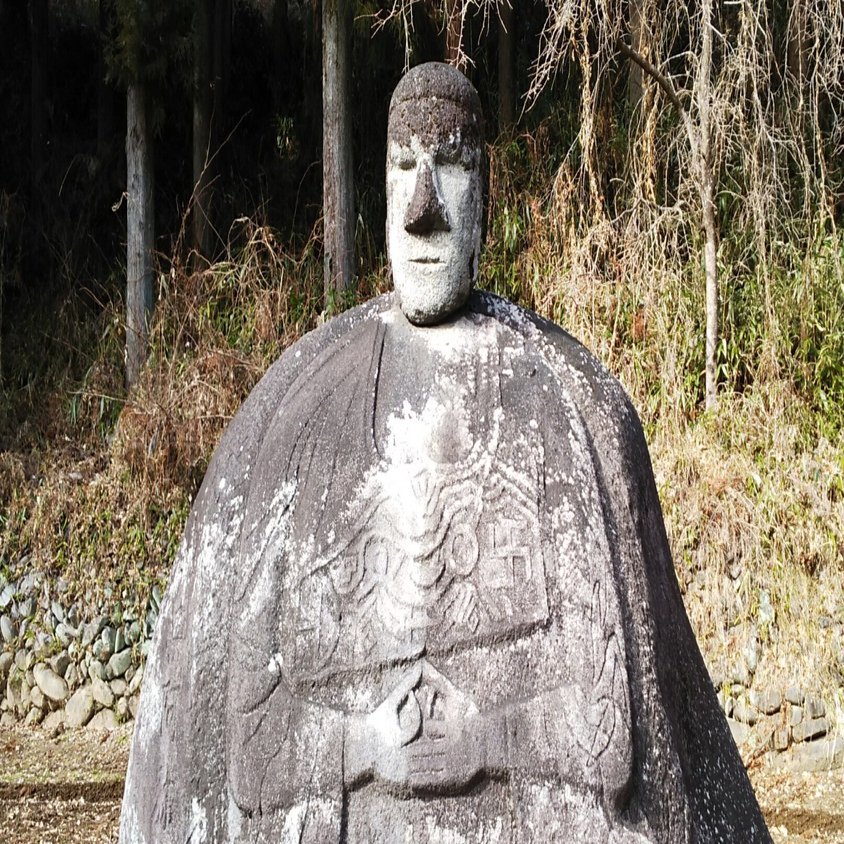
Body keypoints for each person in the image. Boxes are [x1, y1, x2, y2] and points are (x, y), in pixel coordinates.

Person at [121, 64, 770, 844]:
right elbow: (249, 752)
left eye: (452, 167)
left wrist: (487, 740)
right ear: (380, 193)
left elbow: (609, 737)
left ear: (485, 199)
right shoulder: (298, 419)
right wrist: (366, 744)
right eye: (404, 169)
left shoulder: (562, 412)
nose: (425, 208)